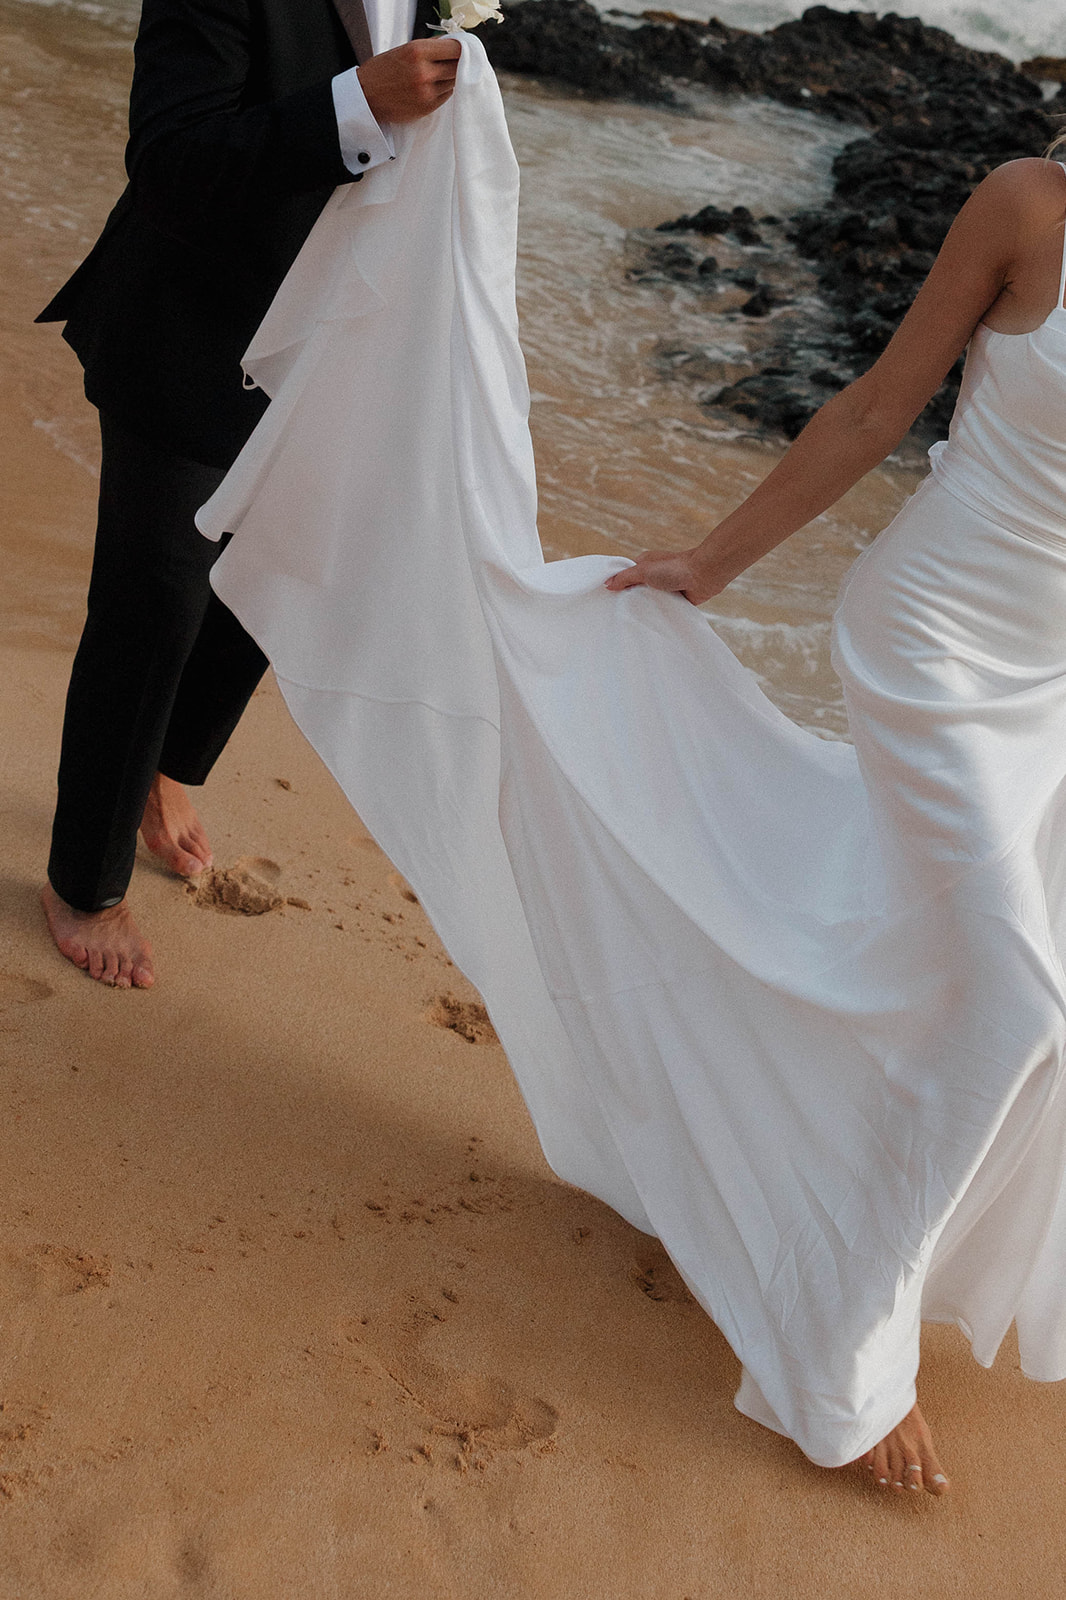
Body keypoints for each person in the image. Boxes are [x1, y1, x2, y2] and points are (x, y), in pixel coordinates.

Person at [192, 35, 1066, 1492]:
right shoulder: (1026, 206)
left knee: (944, 963)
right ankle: (834, 1367)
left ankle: (771, 1173)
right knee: (1013, 996)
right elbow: (868, 410)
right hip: (931, 642)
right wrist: (710, 564)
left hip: (1050, 683)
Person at [36, 0, 461, 988]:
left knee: (288, 565)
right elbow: (172, 161)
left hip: (334, 339)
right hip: (191, 324)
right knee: (158, 598)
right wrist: (357, 101)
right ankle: (83, 881)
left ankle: (169, 771)